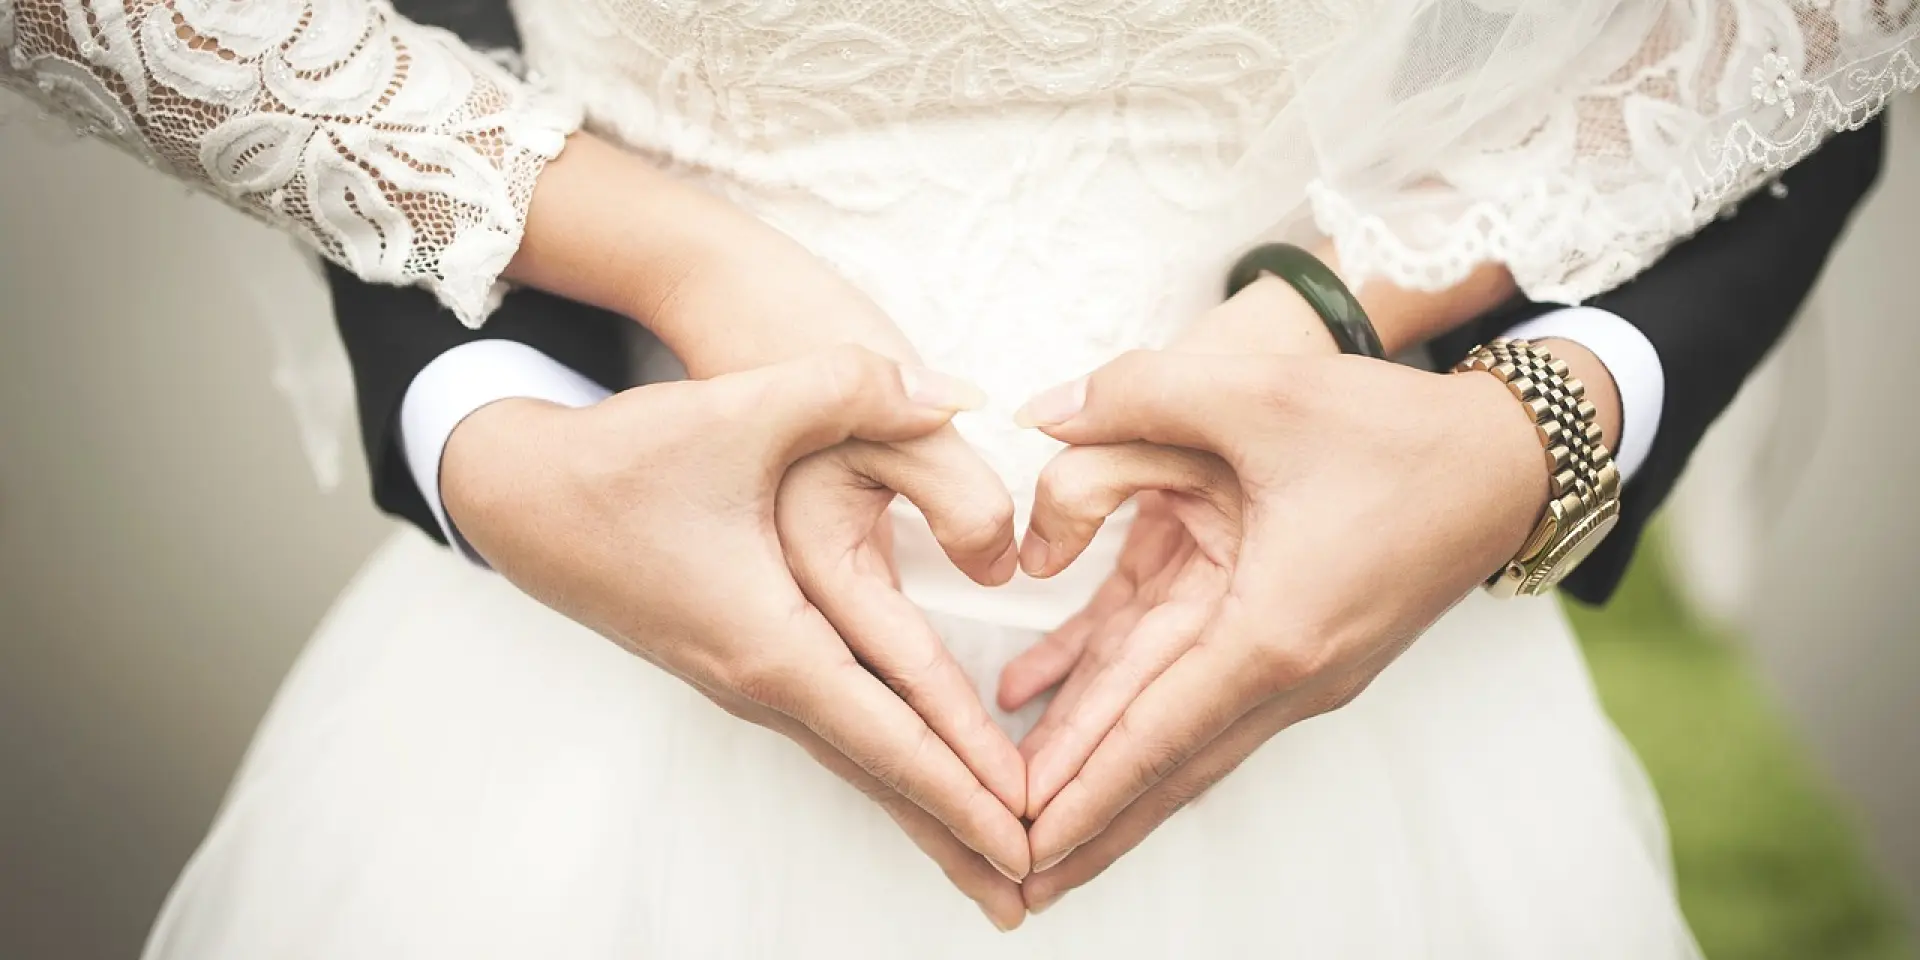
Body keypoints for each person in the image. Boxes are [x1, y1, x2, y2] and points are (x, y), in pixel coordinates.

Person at [1, 0, 1907, 954]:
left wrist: (1488, 417)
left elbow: (1799, 37)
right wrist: (614, 326)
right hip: (597, 696)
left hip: (1350, 694)